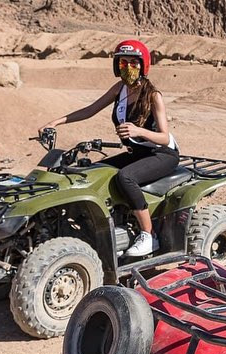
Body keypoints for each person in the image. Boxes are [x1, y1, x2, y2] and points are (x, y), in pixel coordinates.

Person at [39, 39, 179, 256]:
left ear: (143, 65)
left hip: (162, 154)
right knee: (93, 173)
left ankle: (149, 236)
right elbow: (89, 110)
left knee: (126, 177)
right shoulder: (119, 89)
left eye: (133, 63)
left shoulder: (153, 95)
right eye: (123, 63)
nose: (128, 68)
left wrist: (138, 131)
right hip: (137, 153)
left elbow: (163, 137)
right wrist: (54, 122)